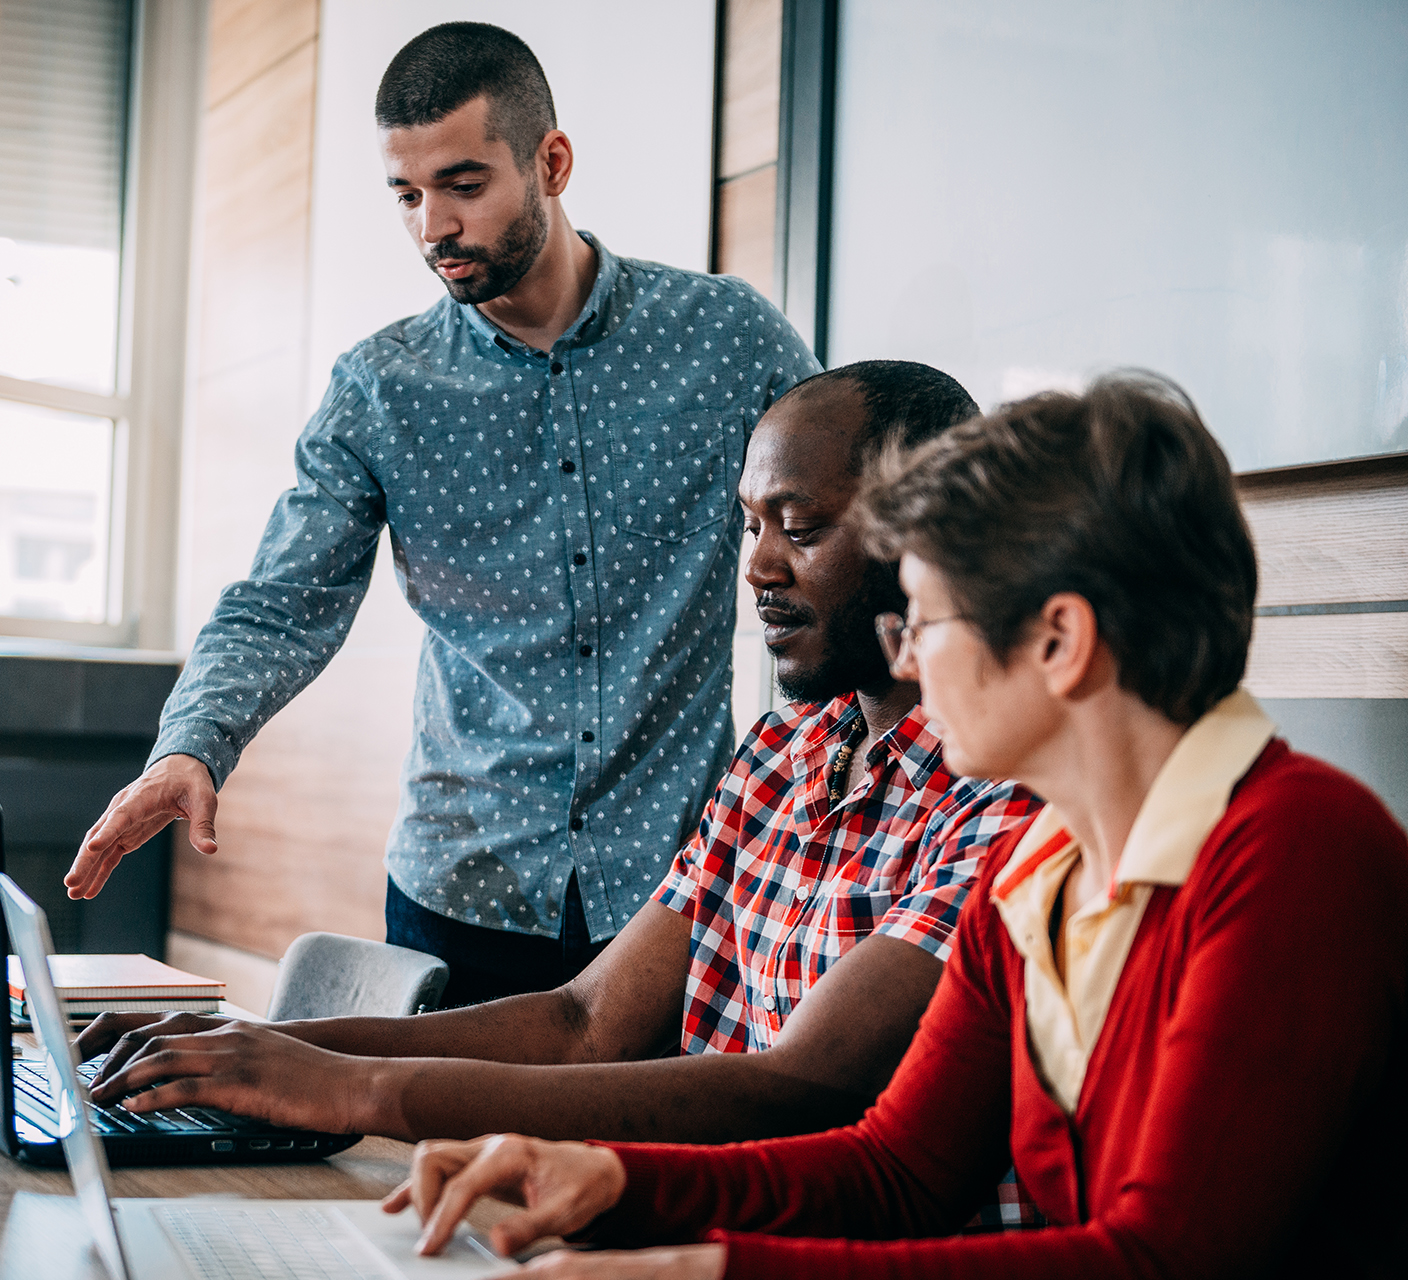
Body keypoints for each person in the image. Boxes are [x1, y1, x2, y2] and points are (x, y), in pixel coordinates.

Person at [393, 372, 1408, 1277]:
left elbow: (1160, 1255)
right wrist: (611, 1177)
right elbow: (896, 1167)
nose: (909, 660)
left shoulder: (1300, 847)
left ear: (1059, 640)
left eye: (922, 621)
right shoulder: (1039, 863)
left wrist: (705, 1268)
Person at [77, 362, 1042, 1225]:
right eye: (749, 524)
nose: (756, 566)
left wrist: (354, 1089)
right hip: (702, 1231)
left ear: (926, 536)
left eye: (801, 528)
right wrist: (250, 1044)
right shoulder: (786, 752)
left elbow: (804, 1087)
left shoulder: (1004, 797)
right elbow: (586, 1022)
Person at [62, 22, 820, 1004]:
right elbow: (281, 601)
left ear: (551, 162)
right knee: (440, 1163)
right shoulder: (380, 387)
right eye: (408, 194)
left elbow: (847, 524)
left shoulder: (725, 338)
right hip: (462, 893)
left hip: (681, 887)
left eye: (464, 185)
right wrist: (190, 743)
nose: (433, 226)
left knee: (645, 1162)